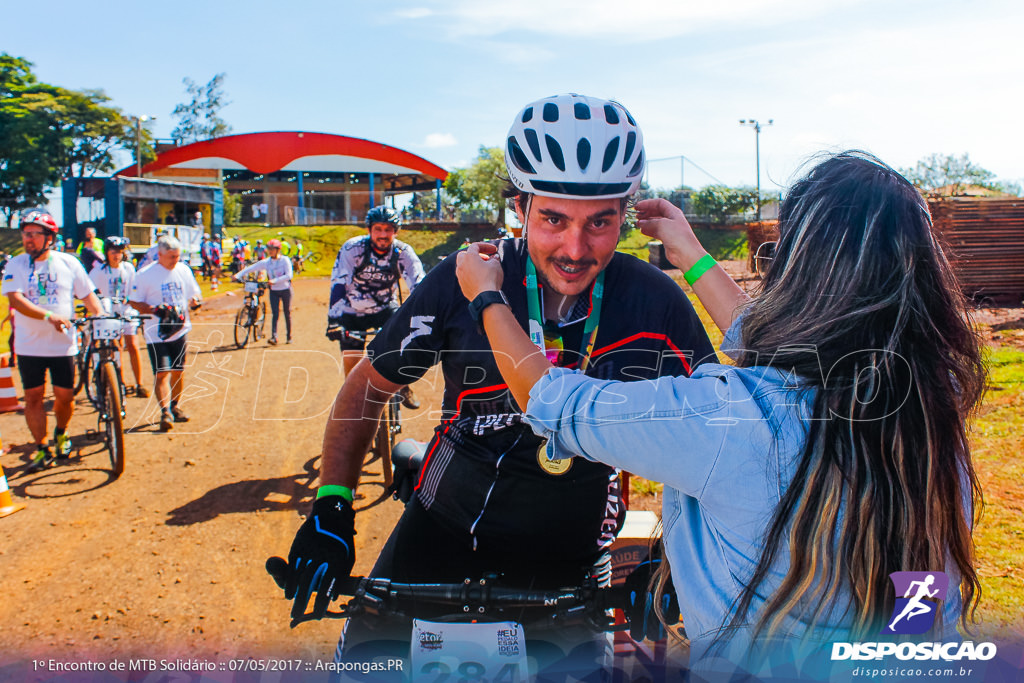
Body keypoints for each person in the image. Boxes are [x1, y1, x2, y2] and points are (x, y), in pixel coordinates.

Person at [455, 151, 984, 677]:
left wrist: (485, 297)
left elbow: (550, 399)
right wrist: (687, 251)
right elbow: (792, 349)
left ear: (794, 271)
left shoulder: (724, 420)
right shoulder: (930, 405)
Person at [271, 94, 716, 679]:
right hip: (441, 528)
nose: (574, 250)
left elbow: (717, 431)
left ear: (626, 214)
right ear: (521, 208)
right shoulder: (464, 277)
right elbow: (365, 390)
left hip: (571, 555)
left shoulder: (655, 301)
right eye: (553, 219)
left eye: (600, 222)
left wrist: (676, 564)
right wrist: (332, 508)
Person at [2, 210, 104, 470]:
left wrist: (102, 317)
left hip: (62, 344)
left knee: (65, 397)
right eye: (26, 233)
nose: (28, 239)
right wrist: (49, 316)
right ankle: (41, 446)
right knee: (33, 397)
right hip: (29, 345)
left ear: (50, 237)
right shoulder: (16, 265)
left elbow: (88, 295)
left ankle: (62, 432)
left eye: (34, 234)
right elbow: (16, 300)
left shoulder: (68, 263)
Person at [325, 205, 425, 380]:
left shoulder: (403, 253)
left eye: (388, 230)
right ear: (369, 229)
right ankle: (356, 399)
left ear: (396, 232)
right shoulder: (352, 249)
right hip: (352, 311)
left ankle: (402, 386)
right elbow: (339, 283)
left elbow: (419, 285)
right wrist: (333, 320)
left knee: (398, 355)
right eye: (378, 229)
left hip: (385, 309)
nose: (383, 235)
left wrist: (423, 317)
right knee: (352, 367)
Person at [128, 235, 202, 432]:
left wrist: (195, 301)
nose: (175, 260)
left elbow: (193, 293)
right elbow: (133, 301)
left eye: (177, 256)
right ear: (159, 255)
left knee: (178, 371)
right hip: (156, 333)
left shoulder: (184, 270)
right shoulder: (144, 275)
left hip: (179, 330)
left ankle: (175, 406)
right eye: (171, 257)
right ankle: (165, 412)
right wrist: (153, 309)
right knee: (162, 373)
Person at [88, 236, 149, 398]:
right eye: (113, 252)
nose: (116, 255)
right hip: (109, 313)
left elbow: (135, 288)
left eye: (120, 252)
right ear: (107, 253)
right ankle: (119, 381)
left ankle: (139, 383)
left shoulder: (128, 268)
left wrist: (132, 300)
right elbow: (91, 290)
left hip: (127, 311)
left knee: (133, 345)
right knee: (117, 347)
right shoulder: (99, 271)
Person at [233, 238, 293, 344]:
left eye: (272, 249)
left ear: (278, 250)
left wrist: (275, 280)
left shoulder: (285, 260)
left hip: (285, 289)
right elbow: (252, 268)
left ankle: (289, 336)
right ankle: (274, 337)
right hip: (274, 290)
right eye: (269, 249)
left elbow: (289, 275)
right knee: (275, 313)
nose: (270, 251)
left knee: (287, 312)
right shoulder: (267, 262)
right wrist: (238, 275)